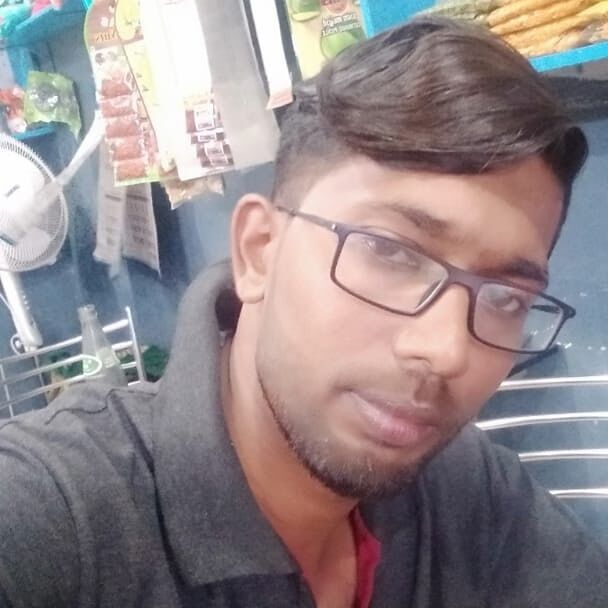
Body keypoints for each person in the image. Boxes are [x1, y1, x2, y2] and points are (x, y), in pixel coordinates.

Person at [1, 16, 607, 608]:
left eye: (505, 298)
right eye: (389, 252)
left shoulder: (466, 490)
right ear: (259, 250)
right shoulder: (58, 512)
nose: (448, 351)